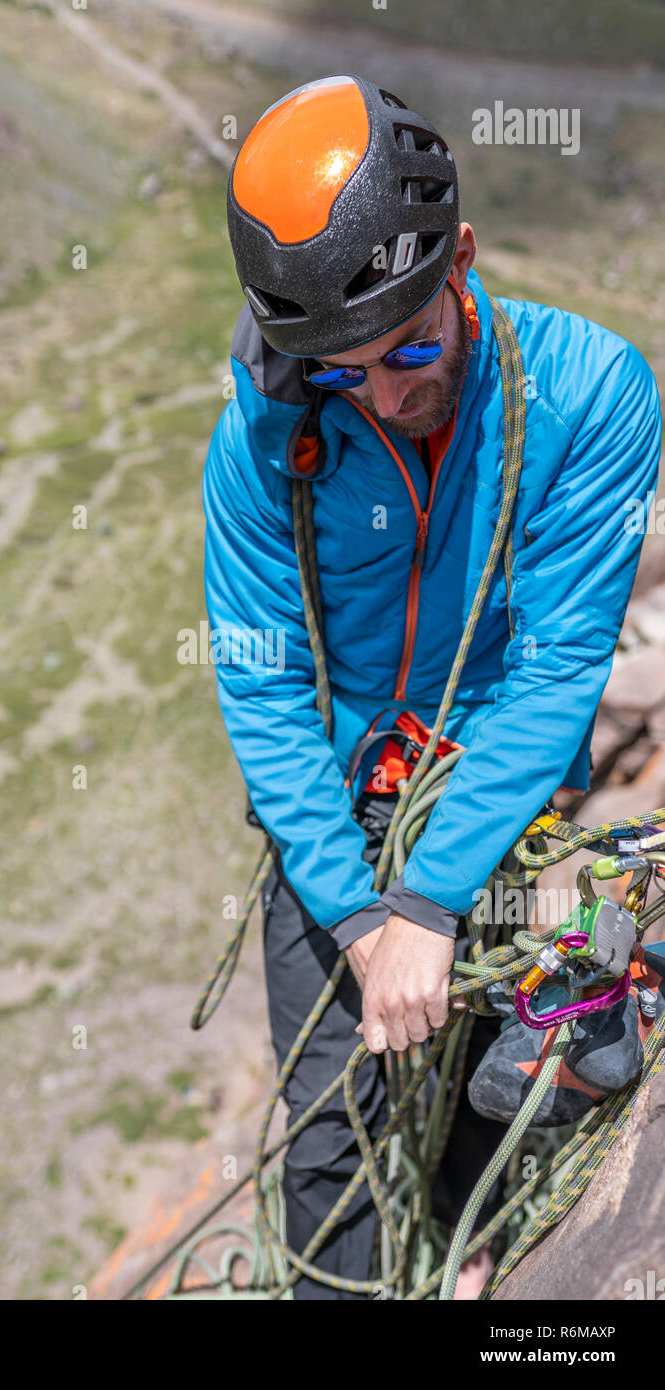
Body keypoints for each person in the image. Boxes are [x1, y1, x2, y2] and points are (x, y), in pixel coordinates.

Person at [202, 74, 662, 1299]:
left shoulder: (592, 393)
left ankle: (473, 1260)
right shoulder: (263, 437)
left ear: (462, 258)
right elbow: (263, 685)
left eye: (410, 347)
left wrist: (435, 893)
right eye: (347, 374)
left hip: (499, 788)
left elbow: (562, 661)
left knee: (486, 1079)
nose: (390, 395)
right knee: (329, 1124)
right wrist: (362, 914)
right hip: (340, 807)